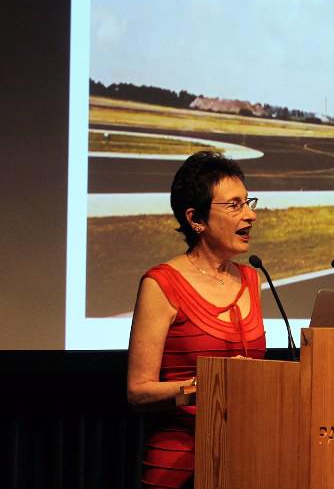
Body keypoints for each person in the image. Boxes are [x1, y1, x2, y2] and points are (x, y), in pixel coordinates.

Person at [127, 151, 267, 488]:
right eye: (235, 205)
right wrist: (203, 388)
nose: (251, 215)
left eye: (249, 202)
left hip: (247, 462)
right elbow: (137, 391)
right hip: (180, 467)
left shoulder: (252, 279)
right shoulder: (161, 284)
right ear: (196, 219)